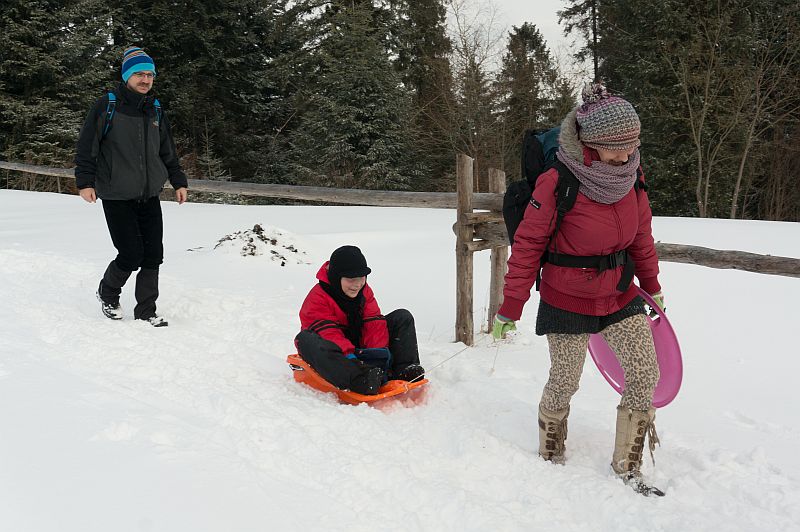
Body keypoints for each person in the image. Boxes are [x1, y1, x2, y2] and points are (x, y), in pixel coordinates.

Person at [491, 83, 666, 496]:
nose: (624, 156)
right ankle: (550, 454)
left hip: (619, 294)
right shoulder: (559, 179)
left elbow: (642, 235)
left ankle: (628, 465)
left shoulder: (632, 175)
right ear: (590, 144)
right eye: (615, 148)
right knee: (565, 379)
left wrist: (652, 285)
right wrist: (510, 307)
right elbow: (529, 244)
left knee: (646, 373)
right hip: (566, 296)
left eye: (631, 146)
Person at [74, 47, 188, 327]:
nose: (145, 79)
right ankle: (108, 293)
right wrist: (85, 181)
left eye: (149, 74)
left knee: (153, 254)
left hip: (149, 193)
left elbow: (167, 150)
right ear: (127, 76)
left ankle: (146, 310)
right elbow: (88, 145)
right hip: (116, 193)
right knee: (130, 253)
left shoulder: (156, 108)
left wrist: (178, 180)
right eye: (139, 74)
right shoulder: (108, 105)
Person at [295, 245, 425, 395]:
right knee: (305, 340)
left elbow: (373, 323)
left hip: (359, 348)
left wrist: (378, 357)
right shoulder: (318, 297)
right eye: (351, 279)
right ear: (337, 278)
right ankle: (359, 380)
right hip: (335, 353)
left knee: (402, 317)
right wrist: (353, 361)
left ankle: (403, 370)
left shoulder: (364, 291)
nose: (357, 284)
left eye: (361, 278)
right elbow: (329, 334)